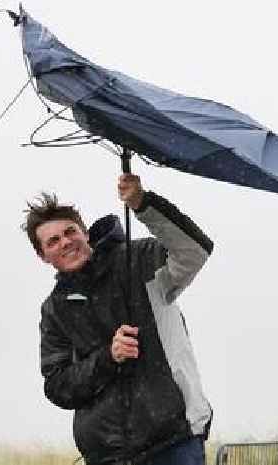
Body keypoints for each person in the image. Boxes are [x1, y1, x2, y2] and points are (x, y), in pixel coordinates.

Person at [22, 174, 213, 465]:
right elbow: (58, 386)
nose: (65, 242)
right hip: (108, 455)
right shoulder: (54, 310)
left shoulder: (142, 259)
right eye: (53, 241)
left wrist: (142, 203)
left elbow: (194, 252)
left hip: (174, 441)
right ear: (43, 255)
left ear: (85, 232)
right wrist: (108, 358)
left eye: (70, 232)